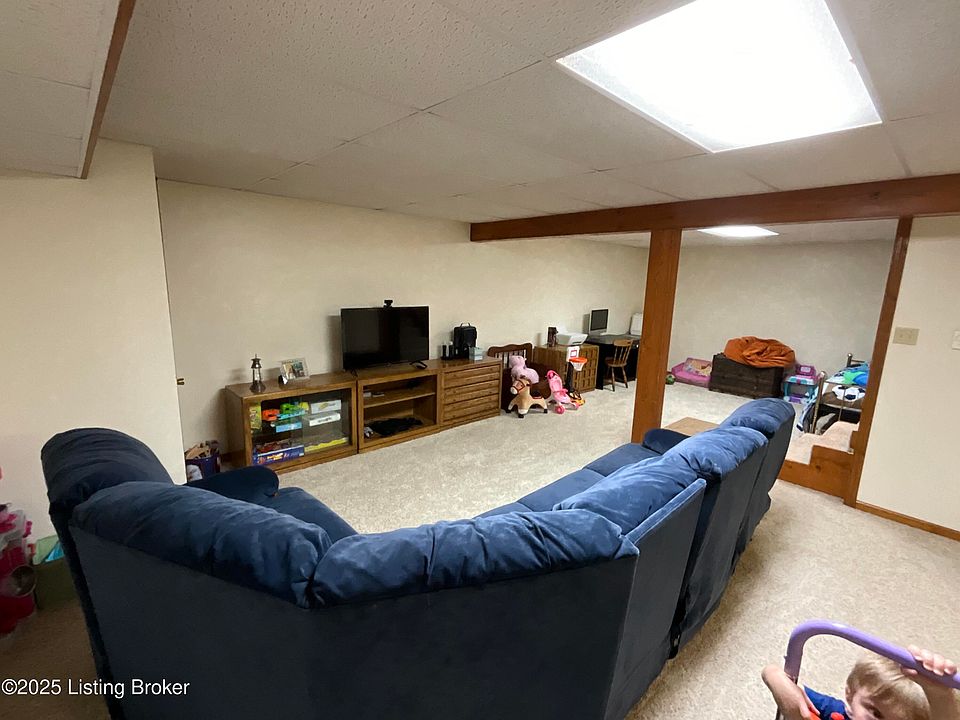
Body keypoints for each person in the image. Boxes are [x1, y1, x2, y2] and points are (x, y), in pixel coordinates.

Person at [762, 645, 959, 720]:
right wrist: (776, 678)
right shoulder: (836, 713)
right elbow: (772, 673)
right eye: (875, 713)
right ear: (850, 694)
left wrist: (941, 695)